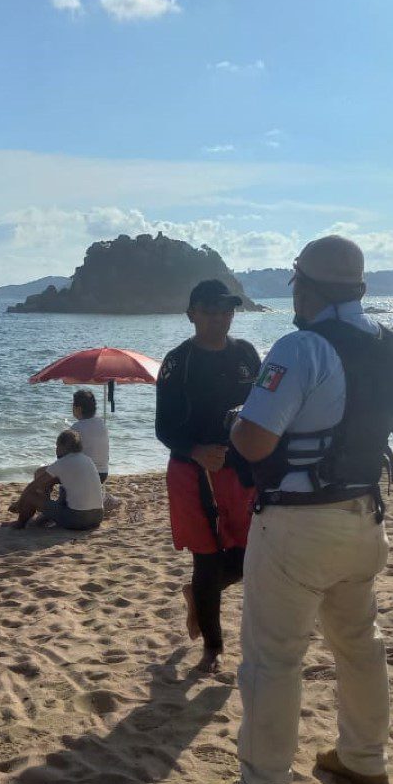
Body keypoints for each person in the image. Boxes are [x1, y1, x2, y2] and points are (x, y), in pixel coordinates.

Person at [200, 235, 393, 784]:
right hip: (363, 517)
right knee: (359, 645)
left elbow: (255, 441)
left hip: (298, 524)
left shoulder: (301, 347)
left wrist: (240, 418)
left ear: (308, 287)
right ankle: (364, 759)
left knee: (273, 660)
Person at [155, 278, 262, 674]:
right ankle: (213, 649)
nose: (220, 318)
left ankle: (199, 597)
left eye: (227, 310)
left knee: (248, 557)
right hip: (192, 472)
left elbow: (266, 410)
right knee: (207, 559)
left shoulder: (248, 354)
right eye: (210, 310)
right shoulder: (177, 363)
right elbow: (163, 428)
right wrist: (198, 451)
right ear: (192, 315)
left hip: (242, 469)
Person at [6, 428, 105, 530]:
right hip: (97, 517)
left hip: (78, 519)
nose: (56, 449)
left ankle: (20, 524)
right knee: (59, 488)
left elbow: (32, 486)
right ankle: (46, 517)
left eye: (57, 446)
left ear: (62, 447)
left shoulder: (62, 463)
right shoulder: (87, 459)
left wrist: (19, 503)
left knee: (31, 496)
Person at [70, 388, 110, 482]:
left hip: (86, 474)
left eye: (73, 405)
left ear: (79, 409)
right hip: (103, 473)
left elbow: (68, 455)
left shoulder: (76, 428)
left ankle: (63, 496)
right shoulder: (101, 424)